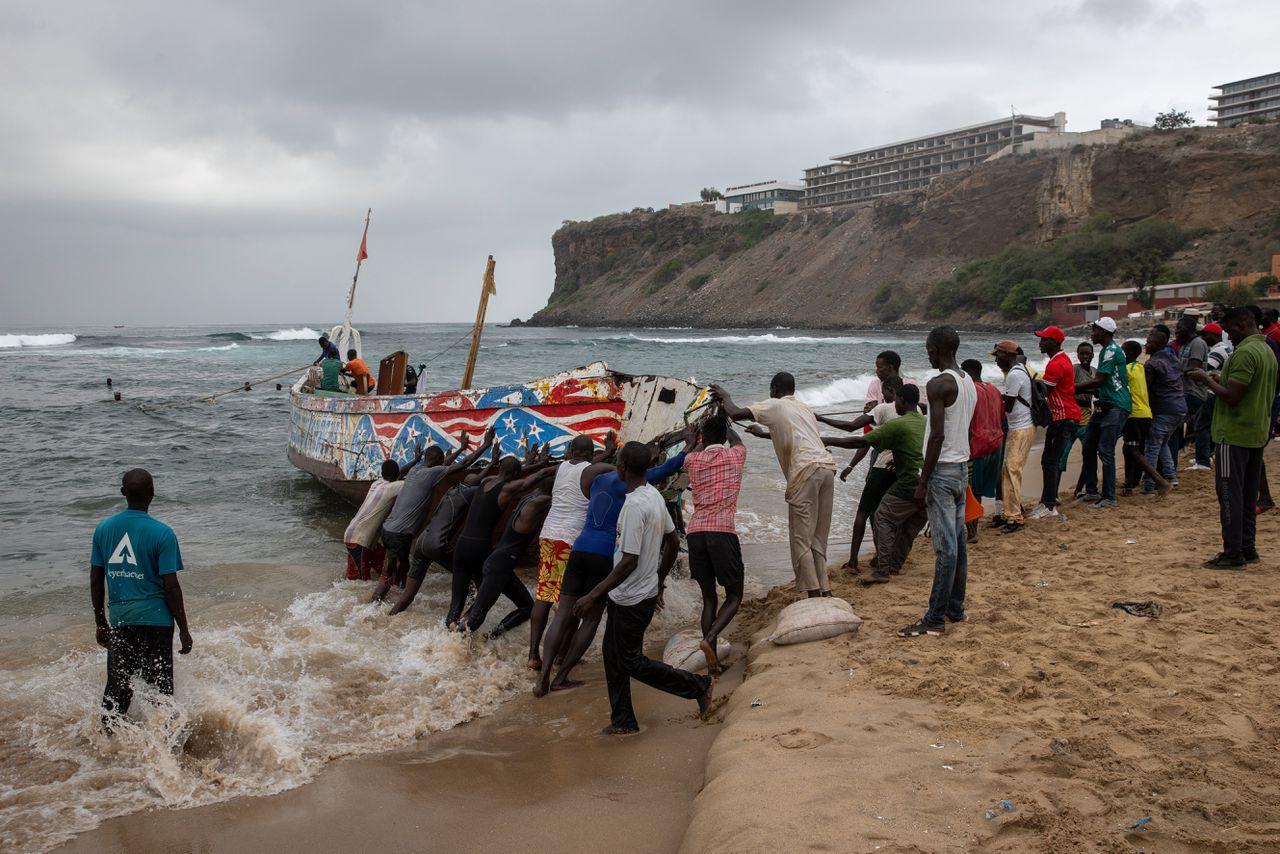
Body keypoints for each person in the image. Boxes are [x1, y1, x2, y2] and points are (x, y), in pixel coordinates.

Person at [533, 430, 691, 697]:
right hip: (605, 554)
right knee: (592, 619)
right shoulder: (633, 487)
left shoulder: (596, 480)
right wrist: (687, 449)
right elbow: (662, 470)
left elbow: (604, 467)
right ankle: (561, 677)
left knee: (562, 613)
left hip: (580, 548)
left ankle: (542, 679)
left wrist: (611, 456)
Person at [572, 441, 714, 735]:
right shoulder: (654, 496)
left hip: (632, 597)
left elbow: (628, 562)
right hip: (635, 592)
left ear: (622, 467)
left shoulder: (635, 505)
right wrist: (659, 580)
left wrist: (592, 594)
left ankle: (699, 686)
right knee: (613, 656)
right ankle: (623, 720)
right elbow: (673, 542)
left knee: (631, 661)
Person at [712, 374, 837, 598]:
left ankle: (814, 595)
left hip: (805, 471)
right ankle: (825, 591)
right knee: (818, 538)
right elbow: (797, 437)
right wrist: (762, 435)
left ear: (775, 388)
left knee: (801, 540)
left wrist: (726, 396)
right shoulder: (804, 408)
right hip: (827, 468)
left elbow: (736, 413)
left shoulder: (775, 404)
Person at [90, 469, 193, 724]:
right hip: (157, 623)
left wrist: (100, 621)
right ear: (152, 494)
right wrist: (184, 628)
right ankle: (163, 748)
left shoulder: (103, 529)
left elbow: (95, 579)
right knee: (160, 690)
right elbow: (171, 586)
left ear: (123, 493)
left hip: (121, 620)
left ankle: (110, 748)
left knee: (117, 690)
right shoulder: (162, 533)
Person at [1187, 306, 1278, 568]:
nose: (1227, 336)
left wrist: (1205, 378)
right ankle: (1248, 548)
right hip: (1256, 430)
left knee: (1229, 494)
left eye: (1228, 331)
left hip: (1234, 433)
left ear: (1240, 325)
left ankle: (1232, 553)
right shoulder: (1266, 349)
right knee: (1248, 494)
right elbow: (1245, 387)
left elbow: (1232, 397)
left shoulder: (1245, 353)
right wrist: (1220, 377)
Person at [899, 327, 975, 638]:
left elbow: (938, 435)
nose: (927, 353)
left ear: (935, 348)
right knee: (957, 542)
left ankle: (934, 619)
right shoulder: (967, 380)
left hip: (942, 471)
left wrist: (923, 480)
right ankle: (955, 608)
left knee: (946, 549)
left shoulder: (938, 383)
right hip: (960, 466)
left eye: (928, 348)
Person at [821, 384, 926, 584]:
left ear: (902, 401)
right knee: (909, 527)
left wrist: (828, 440)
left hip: (910, 483)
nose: (894, 403)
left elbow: (861, 441)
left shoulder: (897, 424)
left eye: (896, 400)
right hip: (929, 482)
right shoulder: (925, 421)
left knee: (882, 517)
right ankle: (894, 566)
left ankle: (883, 570)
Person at [374, 429, 493, 596]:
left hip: (389, 530)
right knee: (389, 572)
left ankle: (397, 599)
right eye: (442, 459)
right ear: (437, 460)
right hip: (399, 534)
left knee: (404, 568)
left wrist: (460, 448)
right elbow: (463, 464)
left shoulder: (417, 470)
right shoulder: (430, 474)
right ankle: (372, 609)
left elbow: (444, 465)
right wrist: (485, 446)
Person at [447, 450, 556, 630]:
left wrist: (532, 463)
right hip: (480, 549)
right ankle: (469, 634)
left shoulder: (484, 482)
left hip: (461, 545)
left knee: (457, 604)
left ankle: (450, 630)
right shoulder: (508, 490)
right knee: (482, 604)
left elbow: (513, 474)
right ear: (515, 475)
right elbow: (539, 475)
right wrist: (558, 465)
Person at [526, 434, 604, 671]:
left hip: (549, 535)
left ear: (570, 450)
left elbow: (586, 461)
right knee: (570, 599)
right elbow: (609, 467)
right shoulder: (591, 470)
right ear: (590, 454)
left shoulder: (561, 467)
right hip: (571, 540)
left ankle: (532, 655)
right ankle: (560, 655)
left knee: (544, 595)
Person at [682, 415, 747, 676]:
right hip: (721, 531)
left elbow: (692, 451)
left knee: (709, 598)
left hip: (695, 531)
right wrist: (728, 426)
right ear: (724, 436)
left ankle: (713, 664)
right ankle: (710, 639)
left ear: (704, 438)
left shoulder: (692, 460)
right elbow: (738, 440)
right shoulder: (736, 456)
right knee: (734, 595)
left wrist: (695, 439)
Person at [462, 479, 555, 636]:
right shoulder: (539, 503)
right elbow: (563, 500)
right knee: (477, 615)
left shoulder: (529, 497)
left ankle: (492, 636)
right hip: (499, 566)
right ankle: (453, 643)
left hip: (499, 564)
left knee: (526, 607)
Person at [385, 478, 479, 615]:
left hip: (422, 541)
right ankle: (464, 622)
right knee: (469, 576)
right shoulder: (469, 492)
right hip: (437, 544)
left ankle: (388, 618)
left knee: (407, 596)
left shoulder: (451, 490)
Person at [1074, 318, 1130, 510]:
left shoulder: (1110, 352)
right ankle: (1091, 492)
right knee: (1088, 446)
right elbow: (1102, 385)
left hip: (1116, 406)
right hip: (1105, 404)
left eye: (1095, 330)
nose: (1092, 333)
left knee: (1105, 451)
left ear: (1104, 332)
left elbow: (1097, 381)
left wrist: (1070, 388)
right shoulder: (1108, 351)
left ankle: (1109, 497)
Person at [1027, 326, 1081, 520]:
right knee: (1051, 461)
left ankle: (1049, 506)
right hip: (1067, 416)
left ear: (1054, 343)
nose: (1040, 343)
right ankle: (1048, 501)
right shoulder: (1062, 360)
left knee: (1049, 461)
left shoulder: (1056, 363)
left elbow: (1043, 391)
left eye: (1044, 340)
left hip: (1062, 417)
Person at [344, 454, 419, 581]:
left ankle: (387, 584)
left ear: (383, 474)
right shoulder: (394, 487)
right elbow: (418, 481)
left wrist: (415, 460)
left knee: (382, 563)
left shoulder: (377, 483)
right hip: (358, 540)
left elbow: (399, 473)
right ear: (396, 476)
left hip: (357, 535)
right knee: (359, 581)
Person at [991, 340, 1034, 533]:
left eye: (998, 356)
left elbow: (1007, 405)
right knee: (1008, 471)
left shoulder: (1014, 375)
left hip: (1020, 429)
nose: (996, 360)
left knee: (1012, 471)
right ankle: (1008, 513)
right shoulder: (1020, 370)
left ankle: (1015, 518)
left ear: (1008, 355)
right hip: (1021, 427)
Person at [1119, 340, 1168, 495]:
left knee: (1133, 450)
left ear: (1130, 353)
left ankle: (1160, 481)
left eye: (1123, 351)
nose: (1121, 354)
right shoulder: (1141, 367)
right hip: (1145, 413)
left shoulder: (1127, 370)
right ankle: (1128, 486)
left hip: (1134, 414)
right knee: (1128, 449)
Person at [961, 358, 1004, 536]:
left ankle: (972, 532)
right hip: (995, 444)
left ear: (968, 373)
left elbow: (968, 423)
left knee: (971, 491)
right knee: (989, 485)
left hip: (977, 446)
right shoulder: (993, 389)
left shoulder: (970, 391)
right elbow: (1002, 418)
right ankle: (1001, 513)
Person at [1142, 328, 1185, 495]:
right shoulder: (1173, 359)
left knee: (1152, 446)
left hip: (1164, 409)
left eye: (1149, 342)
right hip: (1179, 408)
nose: (1146, 345)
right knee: (1163, 443)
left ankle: (1149, 485)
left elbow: (1146, 388)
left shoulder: (1152, 364)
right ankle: (1171, 476)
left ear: (1157, 344)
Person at [1174, 314, 1210, 469]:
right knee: (1177, 427)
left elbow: (1193, 368)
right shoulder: (1185, 345)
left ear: (1189, 328)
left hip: (1193, 393)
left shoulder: (1197, 343)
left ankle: (1172, 465)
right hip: (1184, 392)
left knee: (1174, 426)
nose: (1176, 331)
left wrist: (1171, 375)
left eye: (1179, 328)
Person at [1059, 341, 1095, 484]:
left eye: (1088, 353)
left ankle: (1081, 489)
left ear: (1092, 354)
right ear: (1078, 355)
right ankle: (1053, 493)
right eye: (1082, 353)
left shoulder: (1094, 370)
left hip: (1087, 418)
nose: (1085, 356)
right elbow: (1068, 388)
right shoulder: (1074, 369)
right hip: (1072, 418)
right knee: (1062, 457)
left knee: (1089, 455)